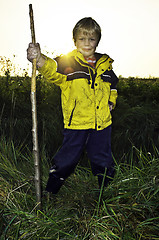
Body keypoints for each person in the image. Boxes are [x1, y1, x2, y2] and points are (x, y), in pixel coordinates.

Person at [27, 17, 119, 194]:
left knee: (103, 160)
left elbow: (113, 86)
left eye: (91, 39)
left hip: (102, 123)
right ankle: (51, 191)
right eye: (82, 39)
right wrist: (38, 58)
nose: (87, 43)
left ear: (97, 41)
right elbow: (51, 69)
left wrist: (111, 101)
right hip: (76, 123)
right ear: (75, 41)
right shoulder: (68, 62)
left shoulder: (105, 65)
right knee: (66, 160)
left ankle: (106, 194)